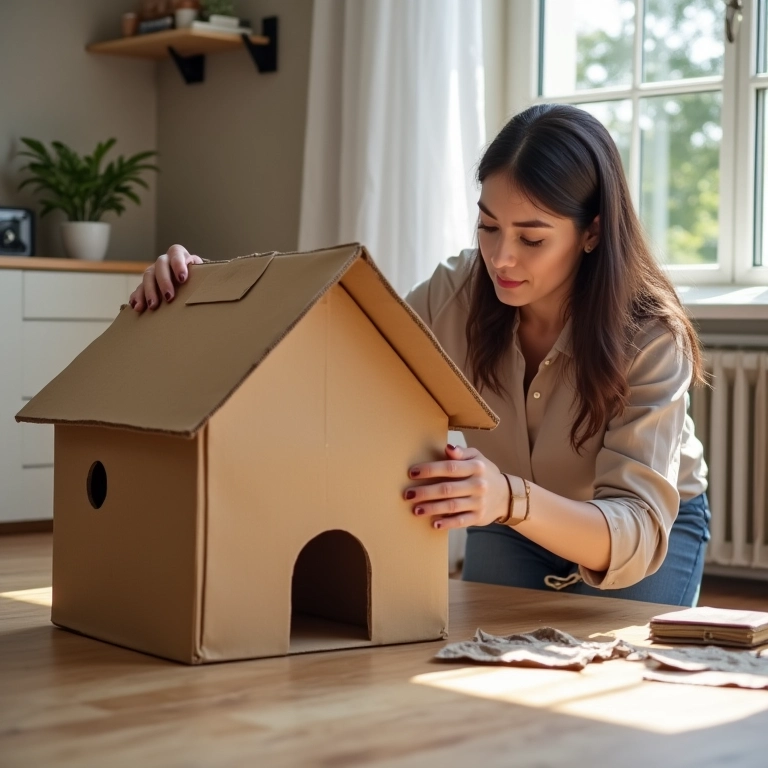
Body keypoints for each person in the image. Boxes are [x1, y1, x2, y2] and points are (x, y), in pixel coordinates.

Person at [129, 103, 710, 606]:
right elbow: (328, 353)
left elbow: (636, 528)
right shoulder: (454, 292)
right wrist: (205, 291)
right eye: (488, 226)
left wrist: (508, 497)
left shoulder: (651, 336)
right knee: (489, 667)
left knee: (611, 678)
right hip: (505, 522)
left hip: (642, 531)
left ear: (592, 232)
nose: (501, 257)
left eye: (532, 238)